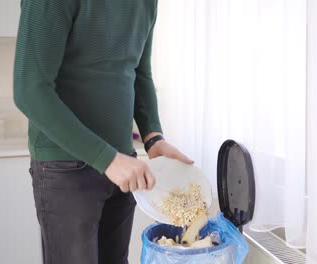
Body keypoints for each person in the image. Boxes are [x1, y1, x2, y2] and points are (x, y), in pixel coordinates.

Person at [13, 0, 193, 263]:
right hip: (66, 168)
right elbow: (29, 90)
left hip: (122, 164)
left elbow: (138, 72)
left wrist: (153, 137)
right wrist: (107, 158)